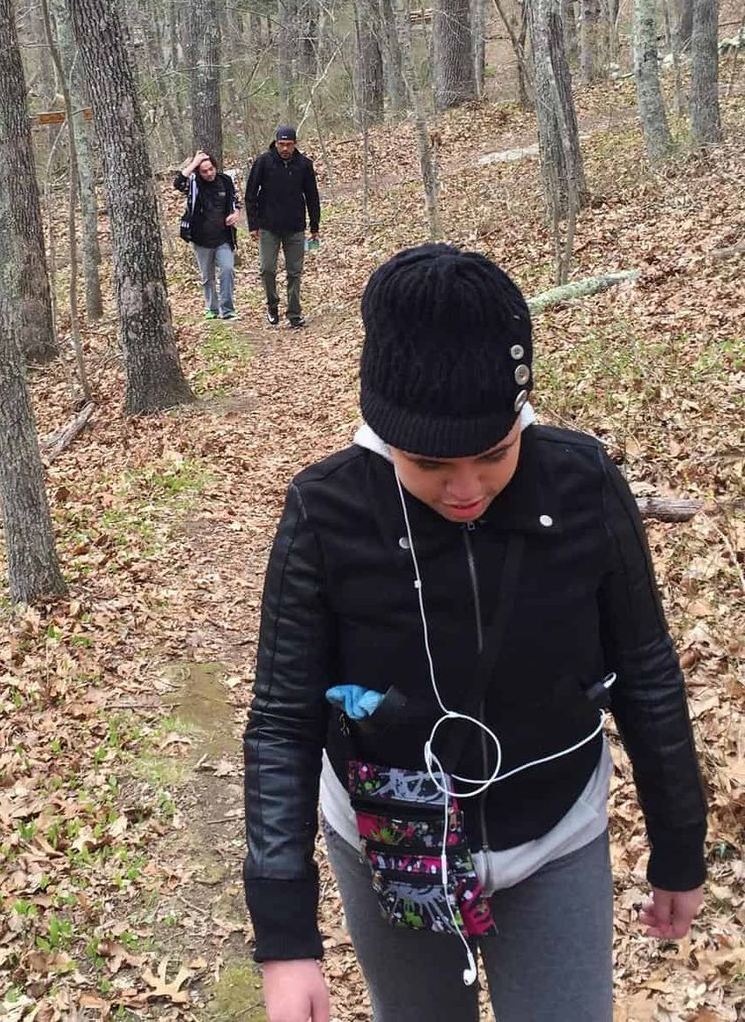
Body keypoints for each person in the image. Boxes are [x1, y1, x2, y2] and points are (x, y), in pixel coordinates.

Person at [243, 244, 706, 1022]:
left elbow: (646, 668)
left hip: (556, 834)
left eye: (494, 453)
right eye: (429, 464)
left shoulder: (583, 482)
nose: (467, 489)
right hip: (391, 845)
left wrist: (679, 843)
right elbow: (282, 721)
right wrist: (286, 939)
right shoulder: (325, 513)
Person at [244, 125, 320, 329]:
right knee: (267, 269)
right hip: (268, 226)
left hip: (295, 226)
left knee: (295, 271)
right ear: (275, 143)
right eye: (281, 144)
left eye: (288, 144)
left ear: (295, 144)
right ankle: (272, 305)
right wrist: (253, 224)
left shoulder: (304, 165)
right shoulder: (263, 162)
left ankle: (294, 313)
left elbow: (312, 196)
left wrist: (315, 225)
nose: (285, 148)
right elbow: (250, 194)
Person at [174, 149, 241, 320]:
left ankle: (228, 310)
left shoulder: (225, 181)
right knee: (207, 276)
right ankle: (212, 308)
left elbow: (236, 200)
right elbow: (178, 183)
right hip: (201, 238)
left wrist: (236, 213)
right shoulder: (194, 184)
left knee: (227, 270)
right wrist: (194, 164)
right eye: (204, 171)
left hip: (223, 237)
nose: (209, 173)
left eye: (211, 169)